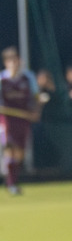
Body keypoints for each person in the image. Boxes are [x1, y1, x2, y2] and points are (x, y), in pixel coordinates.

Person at [0, 46, 40, 195]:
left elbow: (36, 98)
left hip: (23, 119)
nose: (14, 64)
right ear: (6, 62)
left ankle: (12, 180)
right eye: (10, 61)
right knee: (10, 148)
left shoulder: (28, 77)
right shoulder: (2, 79)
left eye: (16, 60)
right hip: (6, 119)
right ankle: (10, 183)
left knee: (20, 153)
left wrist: (36, 112)